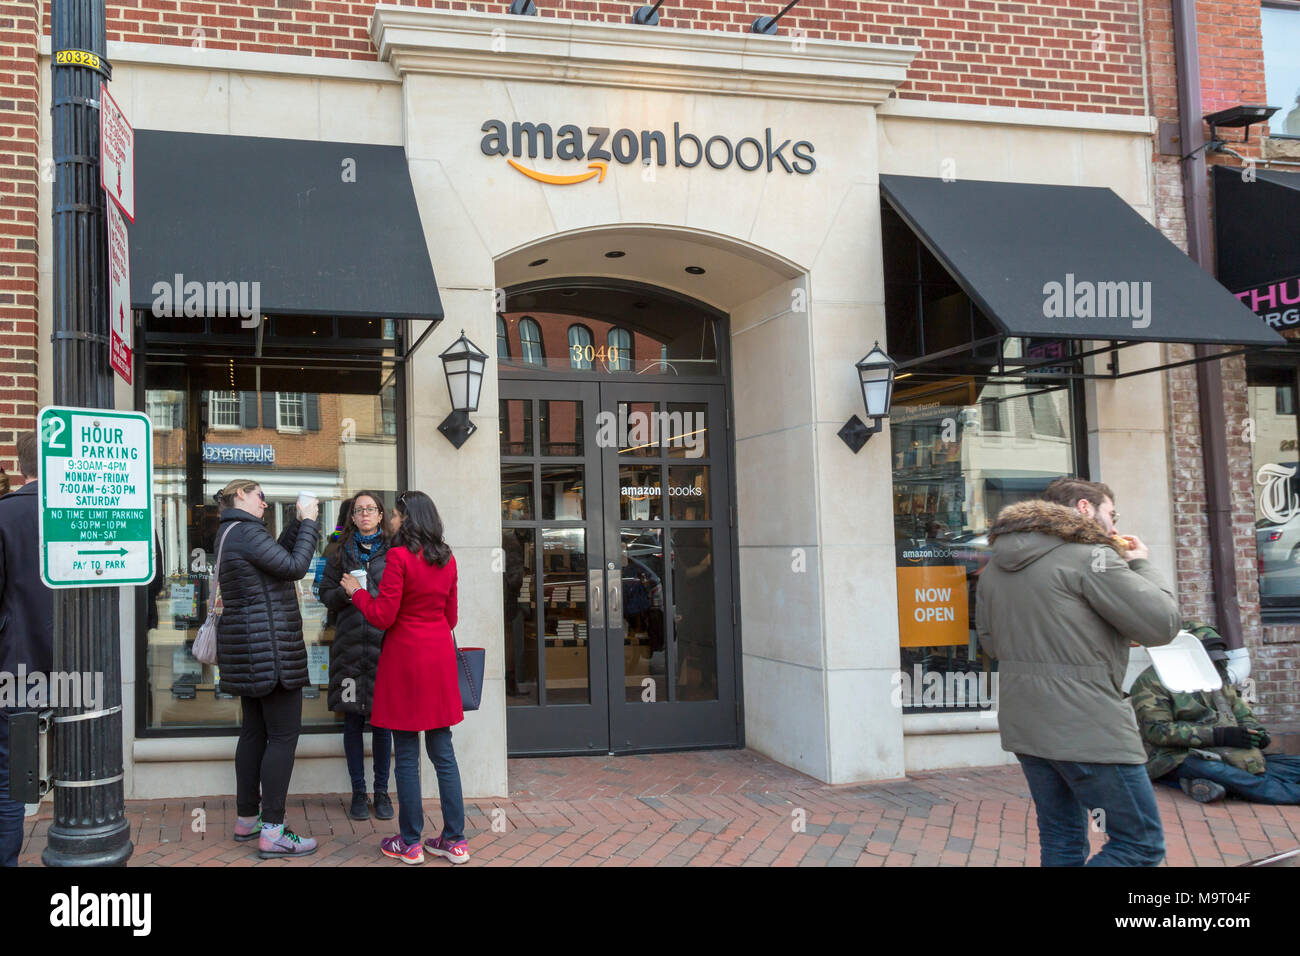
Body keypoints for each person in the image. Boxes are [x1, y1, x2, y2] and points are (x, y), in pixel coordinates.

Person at [975, 476, 1181, 866]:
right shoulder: (1091, 557)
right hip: (1088, 725)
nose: (1115, 526)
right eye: (1111, 513)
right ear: (1085, 508)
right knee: (1139, 846)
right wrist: (1141, 564)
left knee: (1062, 841)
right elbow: (1162, 625)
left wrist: (1096, 639)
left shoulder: (996, 567)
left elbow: (994, 644)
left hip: (1028, 724)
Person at [340, 490, 468, 865]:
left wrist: (357, 591)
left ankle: (410, 842)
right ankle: (455, 840)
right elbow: (452, 618)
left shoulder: (398, 557)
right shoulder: (447, 558)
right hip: (439, 658)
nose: (392, 520)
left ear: (409, 519)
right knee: (443, 752)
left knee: (407, 754)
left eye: (395, 514)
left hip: (405, 660)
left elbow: (383, 616)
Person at [214, 479, 321, 859]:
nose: (263, 502)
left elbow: (274, 558)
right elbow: (294, 566)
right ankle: (273, 830)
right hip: (271, 654)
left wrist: (294, 524)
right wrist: (308, 522)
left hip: (251, 653)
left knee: (254, 733)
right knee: (282, 736)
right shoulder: (245, 531)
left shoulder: (233, 532)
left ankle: (248, 818)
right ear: (239, 495)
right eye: (259, 496)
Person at [1130, 621, 1300, 804]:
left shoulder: (1215, 674)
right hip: (1174, 757)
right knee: (1230, 775)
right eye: (1207, 659)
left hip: (1224, 750)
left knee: (1280, 765)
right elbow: (1157, 731)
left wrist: (1256, 733)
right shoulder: (1151, 682)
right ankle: (1284, 793)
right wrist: (1218, 735)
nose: (1212, 663)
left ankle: (1208, 785)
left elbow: (1241, 712)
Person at [319, 491, 394, 821]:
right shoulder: (337, 552)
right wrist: (348, 593)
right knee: (351, 720)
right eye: (359, 510)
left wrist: (368, 593)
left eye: (371, 509)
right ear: (351, 517)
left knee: (383, 723)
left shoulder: (394, 553)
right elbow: (324, 595)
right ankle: (358, 792)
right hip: (349, 647)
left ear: (380, 516)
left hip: (384, 646)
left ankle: (382, 791)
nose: (365, 514)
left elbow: (400, 597)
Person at [0, 433, 52, 867]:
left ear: (20, 467)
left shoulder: (6, 515)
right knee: (82, 771)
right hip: (80, 668)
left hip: (17, 669)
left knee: (11, 780)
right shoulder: (78, 514)